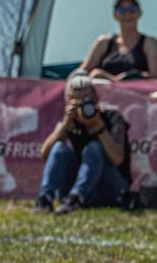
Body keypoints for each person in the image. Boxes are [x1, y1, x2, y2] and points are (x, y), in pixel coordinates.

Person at [34, 72, 131, 214]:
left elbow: (118, 159)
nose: (82, 106)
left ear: (96, 99)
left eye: (86, 100)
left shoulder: (111, 117)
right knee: (60, 148)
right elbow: (45, 154)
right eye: (76, 101)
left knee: (94, 148)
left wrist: (97, 126)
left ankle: (76, 198)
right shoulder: (68, 122)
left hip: (109, 188)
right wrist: (65, 125)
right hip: (73, 186)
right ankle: (45, 198)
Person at [76, 0, 157, 81]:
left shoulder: (149, 43)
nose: (127, 14)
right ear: (115, 15)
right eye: (122, 10)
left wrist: (121, 79)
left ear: (140, 13)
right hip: (104, 95)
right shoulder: (103, 43)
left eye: (132, 9)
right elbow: (80, 74)